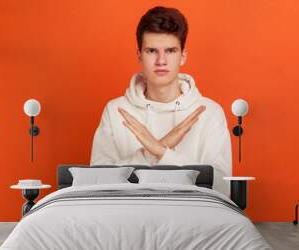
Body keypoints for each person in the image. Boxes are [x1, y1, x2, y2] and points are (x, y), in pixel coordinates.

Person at [90, 6, 232, 196]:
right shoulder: (116, 110)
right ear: (139, 55)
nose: (161, 61)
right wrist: (153, 151)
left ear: (183, 56)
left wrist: (161, 152)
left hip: (192, 219)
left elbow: (223, 189)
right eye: (151, 51)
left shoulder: (210, 112)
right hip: (128, 218)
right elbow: (96, 185)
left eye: (171, 51)